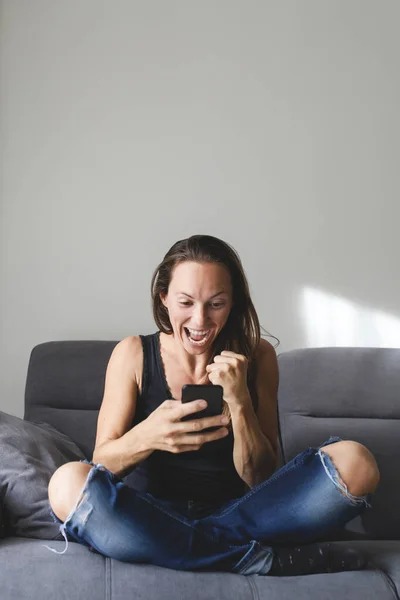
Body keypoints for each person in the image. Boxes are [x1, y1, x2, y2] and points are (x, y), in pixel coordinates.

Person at [43, 234, 380, 576]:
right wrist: (148, 436)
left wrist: (240, 400)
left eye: (215, 303)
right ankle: (258, 559)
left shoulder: (258, 356)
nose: (200, 320)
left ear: (232, 303)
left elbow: (261, 477)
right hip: (148, 515)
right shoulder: (131, 354)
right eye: (186, 302)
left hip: (243, 513)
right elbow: (103, 462)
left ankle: (187, 548)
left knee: (356, 462)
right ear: (164, 300)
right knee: (66, 481)